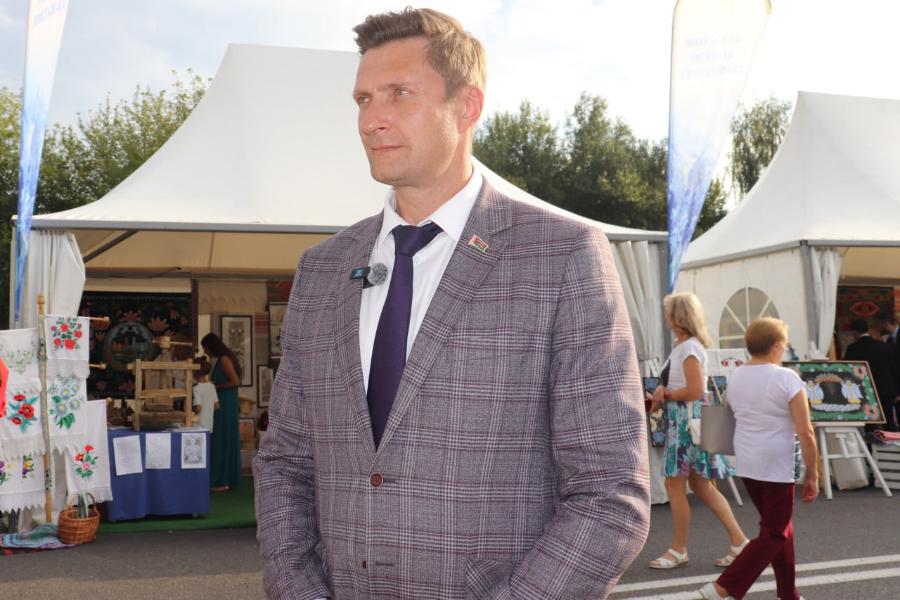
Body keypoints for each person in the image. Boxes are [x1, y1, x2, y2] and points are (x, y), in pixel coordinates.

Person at [253, 8, 649, 599]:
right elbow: (285, 460)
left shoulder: (560, 255)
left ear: (467, 107)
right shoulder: (322, 269)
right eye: (363, 99)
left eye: (399, 93)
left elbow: (609, 492)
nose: (371, 119)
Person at [699, 317, 818, 600]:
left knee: (779, 528)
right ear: (776, 346)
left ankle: (788, 594)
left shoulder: (737, 376)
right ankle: (723, 587)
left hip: (747, 459)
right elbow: (805, 431)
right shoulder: (786, 378)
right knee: (775, 532)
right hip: (776, 462)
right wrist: (813, 473)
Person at [648, 293, 748, 570]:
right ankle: (739, 542)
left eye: (668, 312)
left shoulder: (688, 348)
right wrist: (664, 393)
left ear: (676, 316)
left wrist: (666, 395)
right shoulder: (686, 346)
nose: (665, 317)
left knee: (675, 485)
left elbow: (694, 390)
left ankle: (679, 549)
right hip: (688, 420)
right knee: (701, 485)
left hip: (684, 423)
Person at [201, 333, 241, 492]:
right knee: (221, 438)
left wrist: (216, 387)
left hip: (226, 402)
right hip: (223, 400)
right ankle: (223, 478)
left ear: (211, 347)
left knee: (222, 438)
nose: (205, 351)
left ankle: (222, 480)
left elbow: (235, 382)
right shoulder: (220, 360)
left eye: (205, 348)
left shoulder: (224, 360)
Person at [844, 317, 898, 430]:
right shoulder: (884, 346)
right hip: (886, 390)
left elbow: (847, 372)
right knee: (889, 423)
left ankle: (872, 440)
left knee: (870, 425)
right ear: (868, 330)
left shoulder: (852, 349)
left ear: (855, 332)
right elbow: (894, 368)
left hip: (865, 391)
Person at [191, 355, 218, 432]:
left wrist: (190, 412)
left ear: (194, 371)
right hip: (209, 424)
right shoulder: (212, 386)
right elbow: (216, 406)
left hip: (197, 425)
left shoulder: (196, 388)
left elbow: (198, 408)